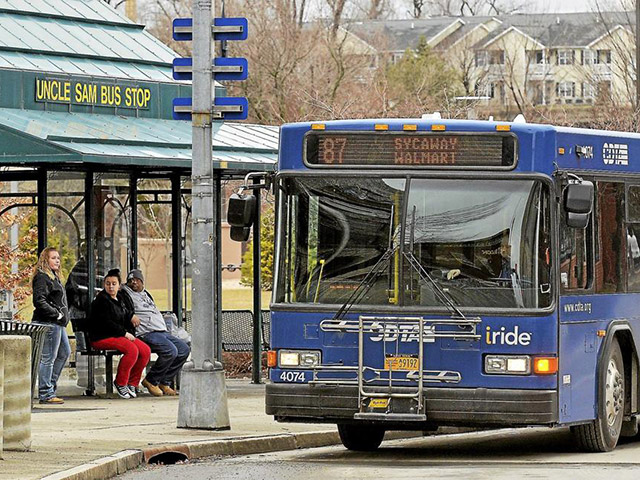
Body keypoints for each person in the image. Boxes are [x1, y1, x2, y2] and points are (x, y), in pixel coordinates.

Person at [119, 269, 190, 397]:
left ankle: (165, 382)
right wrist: (130, 315)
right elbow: (121, 309)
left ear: (142, 282)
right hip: (146, 332)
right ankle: (151, 380)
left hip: (161, 331)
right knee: (170, 351)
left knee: (184, 349)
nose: (134, 282)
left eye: (137, 280)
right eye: (131, 280)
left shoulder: (146, 294)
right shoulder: (124, 294)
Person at [88, 269, 150, 399]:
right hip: (101, 337)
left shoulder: (120, 298)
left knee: (145, 351)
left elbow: (124, 312)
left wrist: (131, 316)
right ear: (104, 285)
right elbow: (106, 323)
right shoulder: (101, 301)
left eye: (114, 283)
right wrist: (124, 333)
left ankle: (132, 383)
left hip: (118, 335)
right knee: (132, 350)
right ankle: (120, 382)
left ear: (119, 285)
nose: (110, 286)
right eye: (108, 283)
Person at [33, 247, 71, 405]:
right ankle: (46, 392)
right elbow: (39, 300)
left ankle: (50, 386)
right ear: (45, 260)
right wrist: (57, 314)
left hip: (58, 324)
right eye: (53, 258)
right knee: (48, 358)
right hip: (48, 323)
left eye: (58, 258)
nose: (57, 260)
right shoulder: (42, 277)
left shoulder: (54, 277)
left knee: (64, 353)